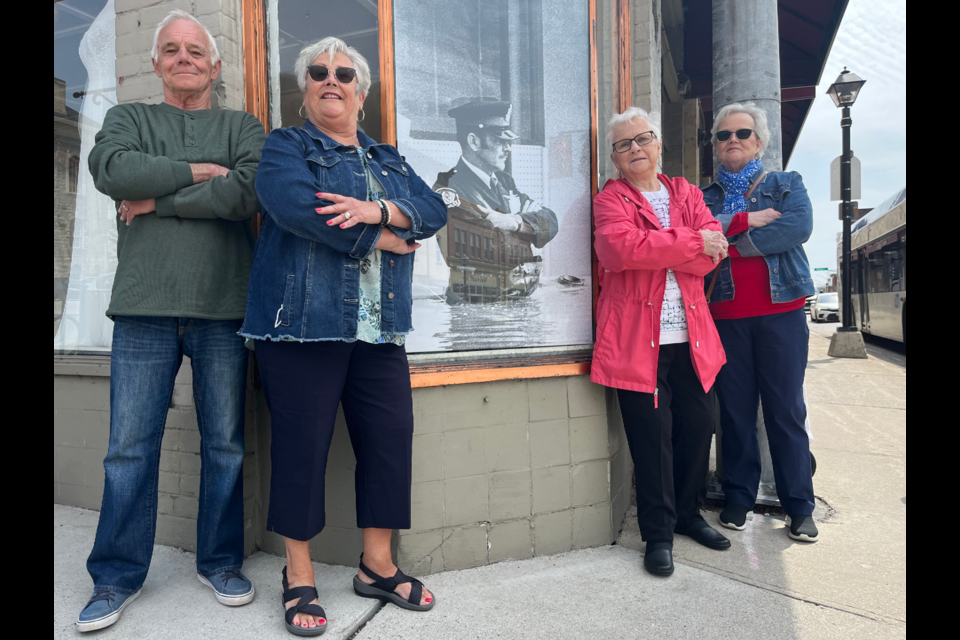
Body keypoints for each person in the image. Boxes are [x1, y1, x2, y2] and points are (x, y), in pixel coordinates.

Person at [241, 37, 447, 636]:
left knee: (390, 438)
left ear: (362, 90)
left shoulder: (387, 157)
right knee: (301, 447)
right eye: (318, 72)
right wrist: (384, 236)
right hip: (302, 329)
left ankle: (376, 564)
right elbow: (293, 206)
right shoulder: (287, 145)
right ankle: (298, 575)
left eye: (344, 73)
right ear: (304, 89)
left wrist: (378, 211)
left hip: (379, 330)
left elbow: (431, 211)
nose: (331, 80)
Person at [77, 10, 266, 633]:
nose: (184, 57)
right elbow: (113, 171)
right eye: (171, 49)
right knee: (128, 451)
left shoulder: (242, 125)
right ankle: (115, 577)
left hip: (222, 309)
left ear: (214, 66)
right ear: (156, 63)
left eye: (195, 50)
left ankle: (220, 563)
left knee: (225, 445)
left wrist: (156, 201)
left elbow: (246, 191)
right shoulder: (127, 119)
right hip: (143, 308)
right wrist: (197, 172)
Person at [591, 107, 732, 577]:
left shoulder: (686, 193)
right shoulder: (610, 199)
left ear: (658, 144)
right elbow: (619, 250)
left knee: (697, 428)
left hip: (691, 338)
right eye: (624, 144)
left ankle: (689, 515)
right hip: (637, 342)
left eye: (642, 139)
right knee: (651, 441)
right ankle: (657, 532)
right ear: (614, 157)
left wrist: (676, 247)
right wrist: (692, 243)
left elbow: (715, 252)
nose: (635, 148)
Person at [702, 103, 820, 543]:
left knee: (785, 411)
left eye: (743, 133)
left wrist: (729, 244)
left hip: (782, 316)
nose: (733, 139)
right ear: (714, 143)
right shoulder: (704, 196)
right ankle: (738, 496)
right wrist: (740, 226)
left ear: (760, 142)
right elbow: (695, 233)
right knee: (734, 414)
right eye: (723, 134)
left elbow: (797, 227)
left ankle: (799, 506)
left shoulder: (786, 184)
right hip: (726, 319)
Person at [434, 99, 558, 302]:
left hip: (513, 298)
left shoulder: (504, 182)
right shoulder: (449, 187)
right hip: (474, 303)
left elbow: (550, 220)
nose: (508, 148)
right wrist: (528, 228)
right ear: (474, 142)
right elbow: (491, 245)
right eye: (500, 141)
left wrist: (516, 222)